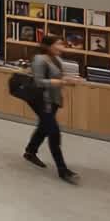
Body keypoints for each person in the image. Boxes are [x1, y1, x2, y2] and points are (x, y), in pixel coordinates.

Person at [24, 35, 78, 182]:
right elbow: (38, 82)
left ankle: (30, 152)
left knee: (44, 127)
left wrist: (67, 81)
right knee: (54, 133)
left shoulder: (57, 59)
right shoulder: (39, 60)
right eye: (58, 44)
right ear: (49, 46)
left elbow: (59, 77)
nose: (62, 47)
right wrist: (59, 81)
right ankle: (63, 170)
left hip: (53, 101)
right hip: (42, 101)